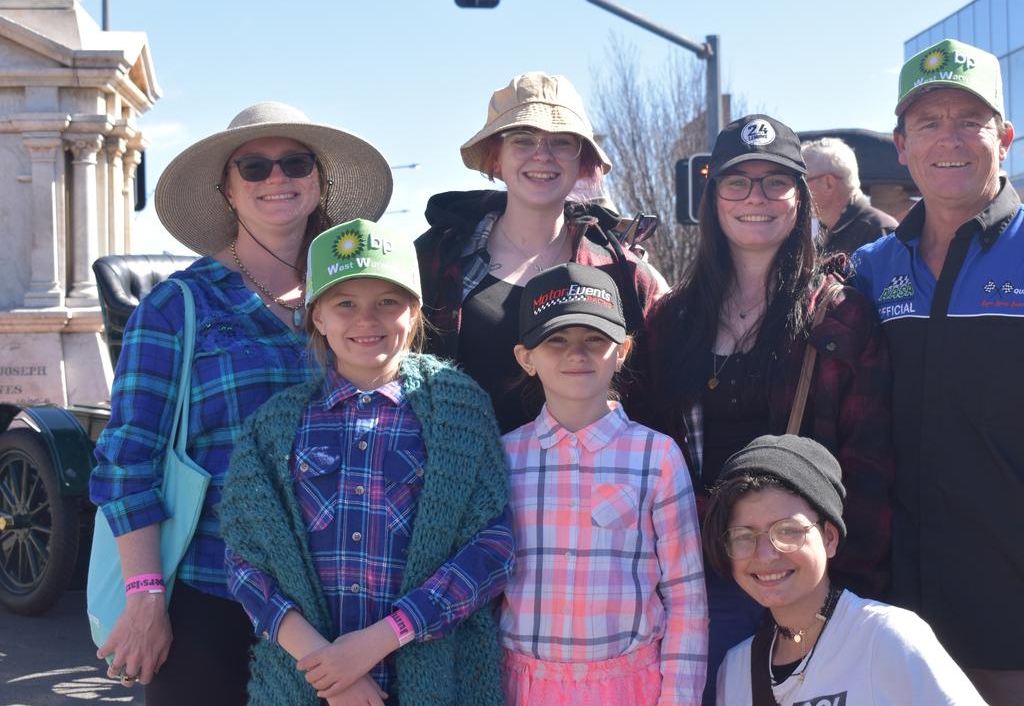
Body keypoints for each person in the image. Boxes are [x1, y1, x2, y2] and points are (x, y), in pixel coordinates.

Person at [89, 102, 393, 704]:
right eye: (254, 167)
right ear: (227, 190)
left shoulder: (364, 301)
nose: (276, 178)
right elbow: (128, 459)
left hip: (347, 602)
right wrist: (146, 594)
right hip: (213, 596)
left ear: (319, 180)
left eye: (294, 163)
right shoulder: (178, 307)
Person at [636, 114, 893, 704]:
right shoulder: (671, 321)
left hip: (801, 580)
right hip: (695, 582)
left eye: (776, 181)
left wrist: (850, 602)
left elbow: (870, 469)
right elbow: (646, 456)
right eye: (737, 182)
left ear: (801, 199)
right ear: (712, 198)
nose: (757, 197)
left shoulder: (839, 316)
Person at [220, 218, 514, 706]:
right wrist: (327, 667)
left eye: (387, 302)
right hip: (305, 682)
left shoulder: (457, 409)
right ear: (317, 316)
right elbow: (245, 561)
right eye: (345, 304)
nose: (366, 320)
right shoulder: (274, 427)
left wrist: (378, 641)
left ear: (415, 313)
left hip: (429, 681)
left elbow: (492, 547)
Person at [851, 37, 1021, 705]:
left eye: (968, 119)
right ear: (901, 144)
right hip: (898, 618)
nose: (947, 138)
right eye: (927, 121)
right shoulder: (872, 269)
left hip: (1012, 624)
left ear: (1003, 137)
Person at [501, 263, 707, 705]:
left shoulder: (657, 457)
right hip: (520, 688)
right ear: (526, 358)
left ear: (623, 350)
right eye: (556, 340)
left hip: (630, 687)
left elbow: (686, 597)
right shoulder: (503, 457)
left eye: (595, 340)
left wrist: (679, 698)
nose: (577, 354)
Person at [415, 71, 666, 433]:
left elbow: (659, 390)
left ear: (582, 162)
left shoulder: (622, 271)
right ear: (495, 158)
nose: (542, 156)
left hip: (587, 485)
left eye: (562, 142)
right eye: (523, 139)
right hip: (459, 481)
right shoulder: (437, 258)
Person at [705, 434, 985, 706]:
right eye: (744, 536)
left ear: (829, 538)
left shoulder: (886, 638)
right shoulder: (735, 671)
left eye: (787, 531)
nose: (765, 555)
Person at [801, 137, 897, 255]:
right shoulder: (823, 235)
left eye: (802, 181)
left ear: (828, 183)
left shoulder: (880, 233)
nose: (796, 191)